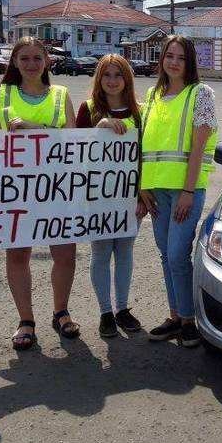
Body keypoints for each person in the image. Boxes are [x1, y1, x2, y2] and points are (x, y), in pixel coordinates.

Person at [0, 37, 80, 350]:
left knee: (65, 253)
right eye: (24, 58)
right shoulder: (3, 94)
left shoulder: (60, 94)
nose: (30, 64)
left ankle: (61, 311)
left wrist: (28, 126)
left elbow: (72, 142)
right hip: (16, 189)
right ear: (14, 62)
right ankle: (26, 320)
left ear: (47, 62)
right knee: (18, 253)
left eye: (36, 58)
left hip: (57, 189)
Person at [137, 35, 217, 348]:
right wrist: (143, 186)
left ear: (190, 62)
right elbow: (145, 144)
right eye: (169, 56)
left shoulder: (201, 93)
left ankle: (190, 321)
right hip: (156, 191)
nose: (174, 62)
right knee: (165, 256)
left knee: (177, 254)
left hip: (186, 190)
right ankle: (174, 317)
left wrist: (187, 190)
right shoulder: (153, 95)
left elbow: (198, 148)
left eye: (181, 57)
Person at [75, 55, 143, 338]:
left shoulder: (139, 111)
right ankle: (105, 312)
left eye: (119, 75)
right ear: (98, 79)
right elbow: (73, 152)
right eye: (107, 75)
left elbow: (144, 157)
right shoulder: (87, 109)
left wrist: (142, 196)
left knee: (125, 252)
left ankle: (123, 309)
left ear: (127, 79)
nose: (113, 81)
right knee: (101, 253)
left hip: (130, 197)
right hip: (96, 197)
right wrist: (99, 127)